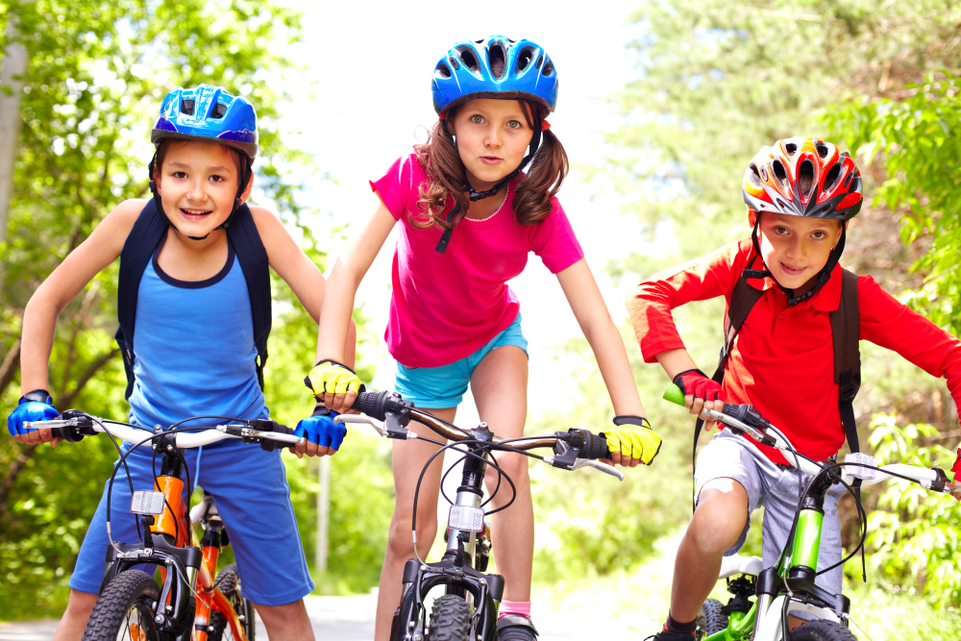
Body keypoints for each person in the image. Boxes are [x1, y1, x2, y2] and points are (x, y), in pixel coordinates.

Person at [306, 35, 663, 641]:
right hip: (421, 359)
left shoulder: (535, 206)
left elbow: (594, 314)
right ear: (450, 124)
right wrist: (330, 361)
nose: (494, 139)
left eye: (512, 125)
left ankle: (518, 613)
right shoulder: (415, 176)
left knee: (506, 460)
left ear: (535, 136)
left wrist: (629, 415)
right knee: (408, 528)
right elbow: (347, 268)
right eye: (477, 120)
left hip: (495, 340)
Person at [6, 85, 347, 641]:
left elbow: (334, 307)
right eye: (180, 174)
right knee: (84, 605)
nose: (196, 193)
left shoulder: (258, 231)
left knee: (284, 612)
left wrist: (327, 403)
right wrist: (34, 394)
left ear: (243, 185)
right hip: (148, 442)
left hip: (241, 442)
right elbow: (45, 300)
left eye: (216, 177)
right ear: (156, 176)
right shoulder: (130, 224)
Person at [628, 136, 961, 640]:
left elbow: (950, 358)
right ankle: (677, 629)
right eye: (780, 230)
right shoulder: (741, 266)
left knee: (814, 620)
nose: (796, 252)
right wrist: (688, 375)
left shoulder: (855, 297)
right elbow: (649, 294)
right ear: (755, 224)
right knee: (716, 522)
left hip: (816, 470)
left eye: (817, 235)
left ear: (838, 237)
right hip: (744, 439)